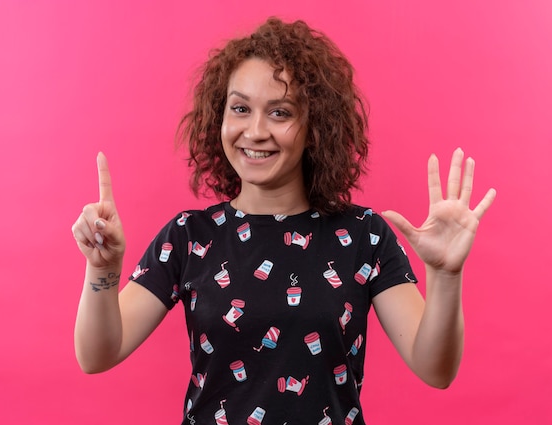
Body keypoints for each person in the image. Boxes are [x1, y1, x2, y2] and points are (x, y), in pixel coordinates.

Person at [72, 17, 496, 425]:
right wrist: (103, 270)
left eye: (280, 113)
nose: (255, 131)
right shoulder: (188, 237)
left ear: (316, 127)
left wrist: (445, 275)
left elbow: (435, 369)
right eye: (240, 108)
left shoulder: (363, 236)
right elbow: (97, 355)